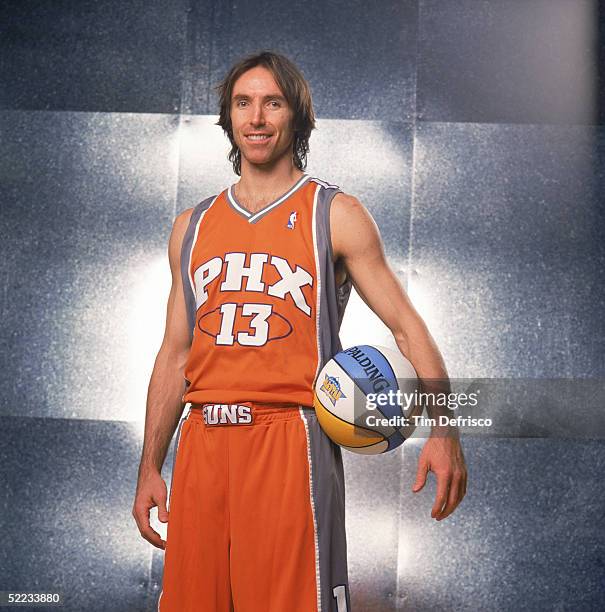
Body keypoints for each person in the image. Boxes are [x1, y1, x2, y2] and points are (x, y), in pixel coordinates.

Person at [132, 50, 467, 612]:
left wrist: (445, 431)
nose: (256, 118)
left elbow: (408, 329)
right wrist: (150, 466)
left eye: (272, 102)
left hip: (289, 440)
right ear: (228, 117)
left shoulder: (334, 214)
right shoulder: (191, 226)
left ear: (297, 116)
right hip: (202, 447)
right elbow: (174, 354)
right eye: (243, 103)